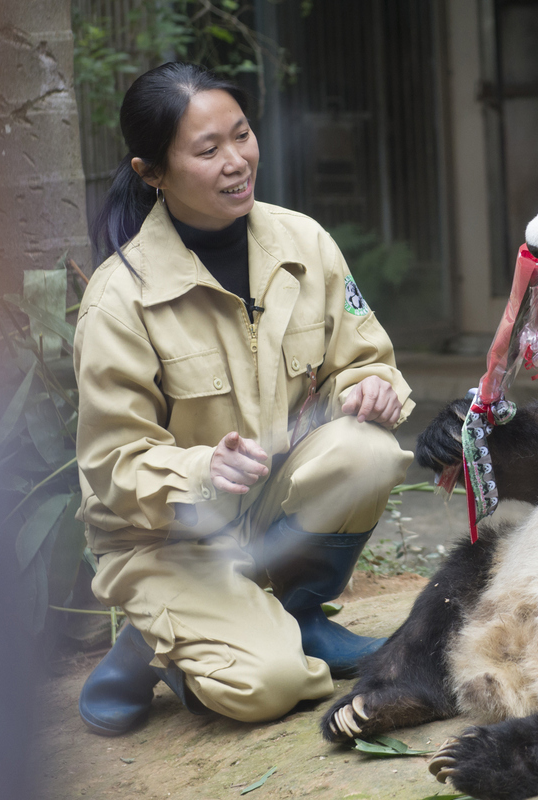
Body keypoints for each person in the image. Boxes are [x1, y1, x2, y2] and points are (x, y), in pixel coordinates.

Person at [74, 62, 414, 735]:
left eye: (242, 135)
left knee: (367, 452)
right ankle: (160, 643)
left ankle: (294, 615)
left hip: (262, 510)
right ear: (152, 172)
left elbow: (363, 356)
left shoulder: (304, 243)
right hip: (166, 541)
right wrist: (202, 470)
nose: (237, 161)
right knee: (270, 687)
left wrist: (369, 387)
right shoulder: (120, 299)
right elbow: (112, 464)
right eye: (208, 150)